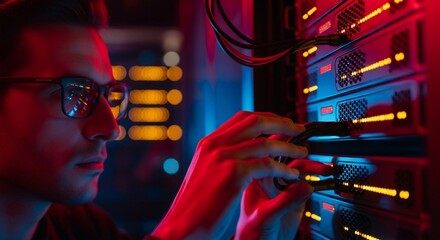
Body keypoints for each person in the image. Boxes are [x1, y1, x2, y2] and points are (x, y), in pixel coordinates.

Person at [0, 0, 332, 239]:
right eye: (73, 92)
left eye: (109, 94)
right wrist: (184, 230)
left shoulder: (81, 226)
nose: (109, 128)